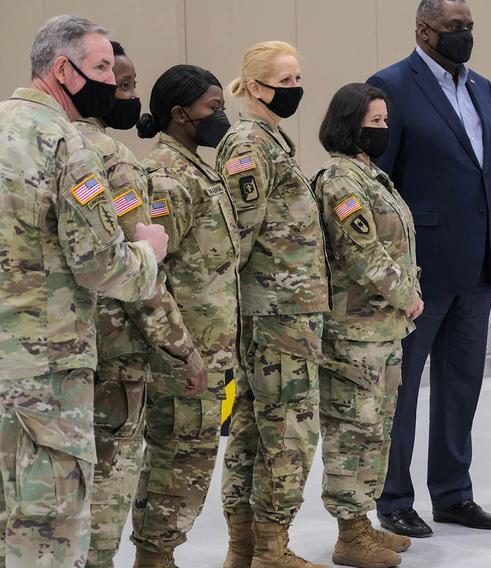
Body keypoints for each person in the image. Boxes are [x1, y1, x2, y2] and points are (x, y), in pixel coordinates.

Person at [0, 15, 167, 568]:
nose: (108, 78)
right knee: (47, 532)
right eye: (99, 68)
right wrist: (148, 252)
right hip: (45, 374)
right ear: (61, 70)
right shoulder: (67, 146)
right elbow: (100, 264)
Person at [367, 0, 491, 537]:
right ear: (424, 31)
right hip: (418, 270)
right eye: (456, 28)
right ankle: (394, 499)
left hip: (475, 266)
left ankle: (453, 494)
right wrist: (392, 271)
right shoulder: (390, 85)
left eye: (470, 27)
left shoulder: (482, 87)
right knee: (401, 392)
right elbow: (378, 183)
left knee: (461, 386)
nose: (466, 35)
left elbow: (486, 179)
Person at [73, 41, 207, 568]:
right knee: (105, 488)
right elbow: (141, 273)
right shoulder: (112, 161)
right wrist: (182, 351)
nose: (130, 96)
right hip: (116, 357)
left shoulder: (40, 145)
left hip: (52, 353)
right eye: (121, 84)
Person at [217, 41, 330, 568]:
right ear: (255, 86)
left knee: (253, 428)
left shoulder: (270, 140)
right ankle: (269, 549)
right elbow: (238, 234)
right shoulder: (248, 145)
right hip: (275, 313)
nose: (295, 90)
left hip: (284, 309)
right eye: (285, 81)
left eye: (297, 79)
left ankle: (245, 548)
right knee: (289, 428)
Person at [130, 64, 242, 566]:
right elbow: (150, 276)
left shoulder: (197, 168)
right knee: (178, 466)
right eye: (212, 109)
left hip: (212, 352)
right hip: (186, 356)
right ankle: (155, 558)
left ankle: (161, 556)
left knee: (191, 463)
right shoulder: (167, 180)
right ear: (179, 114)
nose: (222, 118)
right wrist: (181, 352)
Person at [314, 82, 422, 568]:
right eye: (373, 122)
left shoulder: (371, 175)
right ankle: (347, 533)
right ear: (347, 123)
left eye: (384, 121)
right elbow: (363, 252)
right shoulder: (341, 180)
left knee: (376, 431)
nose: (383, 129)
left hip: (384, 330)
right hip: (355, 332)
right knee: (350, 430)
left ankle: (362, 522)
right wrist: (408, 296)